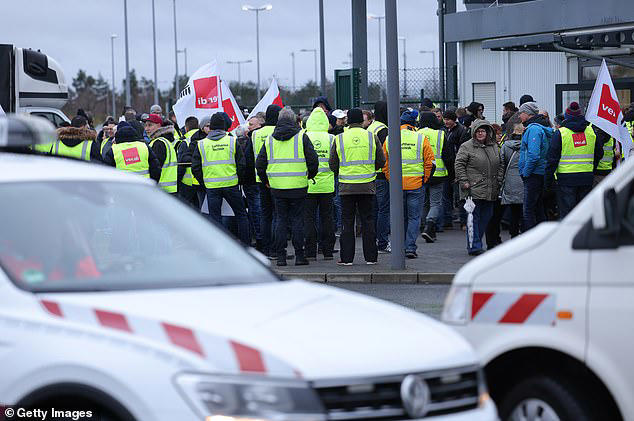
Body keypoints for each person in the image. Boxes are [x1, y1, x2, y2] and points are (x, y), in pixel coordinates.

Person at [256, 107, 319, 266]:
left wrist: (266, 180)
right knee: (298, 220)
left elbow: (260, 164)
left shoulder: (270, 139)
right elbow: (313, 160)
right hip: (298, 186)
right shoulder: (301, 137)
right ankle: (299, 256)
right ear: (293, 120)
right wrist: (309, 175)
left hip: (277, 187)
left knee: (280, 220)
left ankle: (281, 257)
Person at [330, 108, 386, 265]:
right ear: (362, 121)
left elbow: (332, 163)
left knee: (347, 222)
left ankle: (347, 259)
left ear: (348, 121)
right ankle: (371, 258)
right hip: (367, 185)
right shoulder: (371, 136)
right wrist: (370, 170)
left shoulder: (339, 138)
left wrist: (342, 173)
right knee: (368, 221)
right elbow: (381, 160)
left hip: (346, 186)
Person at [192, 112, 250, 245]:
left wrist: (204, 182)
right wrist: (238, 179)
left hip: (212, 188)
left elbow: (195, 167)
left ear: (211, 127)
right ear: (224, 127)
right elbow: (242, 164)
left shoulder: (201, 144)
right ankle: (246, 246)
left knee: (215, 219)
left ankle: (219, 247)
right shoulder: (232, 141)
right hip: (232, 185)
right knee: (241, 215)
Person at [383, 111, 434, 258]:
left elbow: (384, 162)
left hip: (397, 185)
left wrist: (389, 178)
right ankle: (410, 247)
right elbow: (429, 162)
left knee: (399, 217)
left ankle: (399, 247)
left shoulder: (390, 138)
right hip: (416, 184)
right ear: (414, 124)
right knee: (414, 218)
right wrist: (424, 179)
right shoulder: (420, 138)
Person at [544, 102, 607, 219]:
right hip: (586, 178)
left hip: (565, 180)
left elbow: (551, 159)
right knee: (584, 214)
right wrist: (591, 168)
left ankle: (568, 237)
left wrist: (547, 181)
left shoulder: (561, 133)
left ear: (566, 117)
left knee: (567, 215)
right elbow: (599, 153)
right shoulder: (591, 131)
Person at [455, 119, 504, 256]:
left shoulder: (494, 146)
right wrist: (464, 181)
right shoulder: (466, 146)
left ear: (488, 132)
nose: (481, 133)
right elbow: (459, 164)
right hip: (472, 188)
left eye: (483, 131)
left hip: (491, 189)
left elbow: (501, 164)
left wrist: (499, 179)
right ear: (474, 132)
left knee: (486, 216)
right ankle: (474, 246)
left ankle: (476, 241)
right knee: (473, 218)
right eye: (478, 131)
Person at [303, 107, 336, 260]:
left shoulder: (304, 137)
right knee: (327, 218)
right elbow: (335, 161)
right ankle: (327, 251)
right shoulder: (331, 138)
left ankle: (310, 252)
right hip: (327, 184)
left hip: (308, 183)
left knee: (308, 219)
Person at [418, 112, 454, 243]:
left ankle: (425, 227)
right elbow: (448, 156)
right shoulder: (440, 134)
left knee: (424, 203)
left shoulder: (416, 134)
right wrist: (452, 174)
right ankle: (429, 226)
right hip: (438, 174)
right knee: (436, 203)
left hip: (421, 173)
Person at [252, 104, 282, 259]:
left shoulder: (256, 134)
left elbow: (253, 155)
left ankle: (266, 249)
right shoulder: (279, 132)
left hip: (260, 178)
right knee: (278, 215)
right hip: (277, 179)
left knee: (265, 215)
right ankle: (277, 249)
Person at [517, 101, 553, 230]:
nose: (519, 116)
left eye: (521, 113)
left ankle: (529, 240)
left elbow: (533, 155)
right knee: (538, 208)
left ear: (527, 113)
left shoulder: (534, 129)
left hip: (533, 174)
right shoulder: (539, 128)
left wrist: (525, 172)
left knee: (528, 210)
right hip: (539, 173)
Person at [368, 101, 390, 253]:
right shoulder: (384, 130)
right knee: (384, 209)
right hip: (382, 174)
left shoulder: (371, 127)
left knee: (375, 210)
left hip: (370, 174)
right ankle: (382, 242)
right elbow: (386, 153)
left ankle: (374, 240)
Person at [499, 123, 525, 238]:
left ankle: (513, 233)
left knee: (513, 210)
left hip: (509, 179)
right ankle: (524, 233)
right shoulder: (527, 144)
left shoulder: (506, 145)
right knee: (524, 211)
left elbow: (502, 164)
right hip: (524, 179)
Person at [144, 114, 178, 195]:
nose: (146, 128)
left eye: (150, 125)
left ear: (158, 125)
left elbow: (155, 169)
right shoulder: (164, 141)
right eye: (145, 125)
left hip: (161, 189)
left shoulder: (158, 143)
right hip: (168, 189)